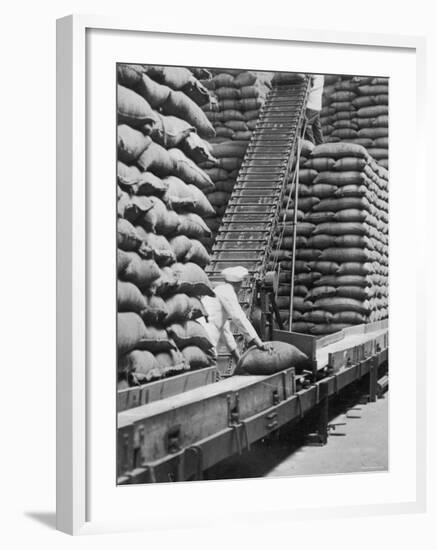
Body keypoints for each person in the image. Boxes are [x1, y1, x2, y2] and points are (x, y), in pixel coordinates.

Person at [198, 266, 269, 364]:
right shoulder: (227, 291)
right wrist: (259, 343)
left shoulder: (219, 291)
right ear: (238, 284)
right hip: (207, 335)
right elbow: (239, 318)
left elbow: (225, 329)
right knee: (209, 367)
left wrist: (237, 359)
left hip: (201, 335)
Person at [304, 74, 324, 145]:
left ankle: (311, 145)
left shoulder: (317, 75)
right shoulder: (321, 76)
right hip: (317, 105)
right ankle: (321, 145)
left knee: (306, 126)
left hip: (311, 105)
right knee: (317, 128)